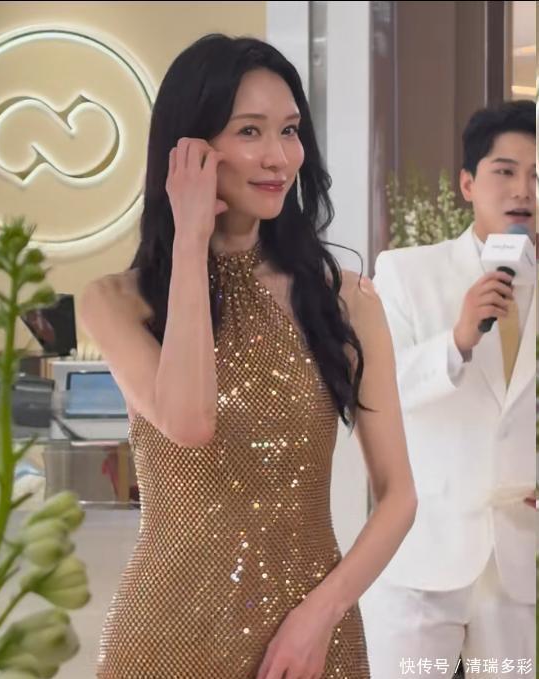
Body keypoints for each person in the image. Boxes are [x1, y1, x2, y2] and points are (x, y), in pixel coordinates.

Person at [80, 33, 416, 679]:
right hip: (166, 637)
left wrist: (319, 616)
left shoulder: (345, 300)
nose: (277, 157)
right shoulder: (115, 302)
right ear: (189, 150)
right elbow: (190, 422)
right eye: (249, 131)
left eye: (289, 131)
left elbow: (398, 495)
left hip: (311, 641)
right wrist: (190, 241)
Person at [360, 100, 536, 678]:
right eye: (505, 171)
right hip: (421, 548)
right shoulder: (407, 271)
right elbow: (375, 391)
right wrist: (457, 341)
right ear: (467, 184)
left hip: (514, 560)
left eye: (537, 176)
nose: (523, 190)